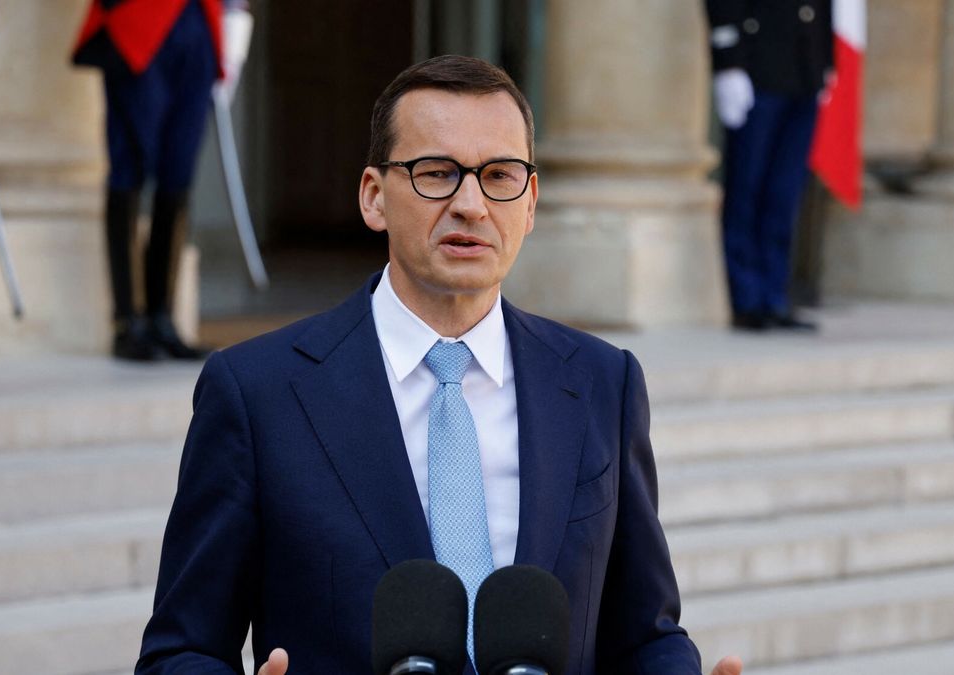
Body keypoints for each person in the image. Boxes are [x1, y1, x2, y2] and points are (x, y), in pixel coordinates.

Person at [135, 56, 742, 675]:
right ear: (374, 197)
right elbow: (179, 651)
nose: (471, 205)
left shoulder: (602, 383)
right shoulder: (256, 393)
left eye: (500, 175)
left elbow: (645, 635)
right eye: (437, 173)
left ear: (530, 203)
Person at [72, 0, 252, 362]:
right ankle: (128, 321)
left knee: (178, 173)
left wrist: (236, 25)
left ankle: (162, 317)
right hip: (137, 19)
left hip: (201, 21)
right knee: (130, 169)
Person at [706, 0, 832, 332]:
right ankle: (746, 298)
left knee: (784, 195)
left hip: (804, 71)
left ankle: (775, 296)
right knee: (746, 192)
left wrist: (825, 63)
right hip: (757, 67)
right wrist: (728, 62)